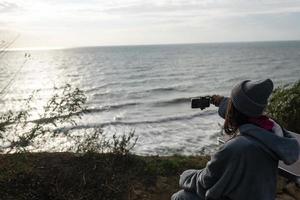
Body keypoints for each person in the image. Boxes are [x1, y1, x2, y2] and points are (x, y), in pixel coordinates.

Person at [171, 79, 300, 200]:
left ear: (234, 109)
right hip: (262, 195)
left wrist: (186, 176)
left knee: (180, 196)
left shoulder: (235, 148)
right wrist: (221, 102)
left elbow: (205, 182)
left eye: (231, 102)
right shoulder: (273, 133)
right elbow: (243, 111)